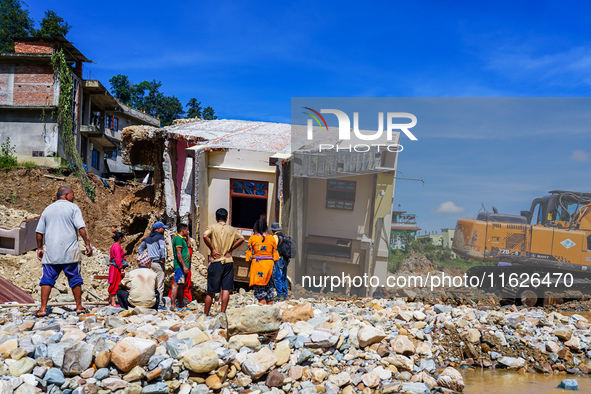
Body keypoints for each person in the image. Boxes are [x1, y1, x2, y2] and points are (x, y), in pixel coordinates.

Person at [35, 186, 92, 317]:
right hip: (69, 252)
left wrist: (39, 248)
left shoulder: (47, 209)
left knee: (47, 279)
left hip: (51, 254)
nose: (74, 197)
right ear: (66, 195)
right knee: (75, 278)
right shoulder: (73, 208)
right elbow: (81, 227)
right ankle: (78, 307)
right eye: (72, 194)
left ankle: (43, 309)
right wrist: (87, 244)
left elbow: (39, 232)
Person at [203, 208, 245, 316]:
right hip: (228, 260)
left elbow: (205, 236)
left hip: (216, 260)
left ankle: (206, 315)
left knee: (211, 290)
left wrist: (212, 249)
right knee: (226, 288)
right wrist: (231, 249)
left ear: (216, 218)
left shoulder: (212, 227)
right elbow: (242, 238)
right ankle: (222, 313)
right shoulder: (232, 229)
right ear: (227, 218)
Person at [245, 218, 279, 305]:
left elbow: (249, 256)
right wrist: (272, 268)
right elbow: (275, 256)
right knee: (269, 288)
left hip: (257, 266)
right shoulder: (272, 238)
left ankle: (262, 310)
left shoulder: (252, 238)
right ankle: (270, 310)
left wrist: (250, 268)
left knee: (260, 290)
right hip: (270, 265)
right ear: (266, 227)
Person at [138, 221, 168, 309]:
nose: (164, 229)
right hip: (158, 262)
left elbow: (140, 249)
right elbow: (162, 250)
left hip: (148, 264)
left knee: (149, 283)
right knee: (159, 283)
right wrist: (163, 261)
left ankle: (149, 301)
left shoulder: (147, 239)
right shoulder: (160, 237)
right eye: (163, 228)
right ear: (158, 229)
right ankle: (159, 303)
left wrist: (145, 257)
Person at [171, 223, 190, 311]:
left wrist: (188, 236)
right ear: (183, 230)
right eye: (187, 230)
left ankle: (181, 304)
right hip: (180, 266)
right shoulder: (178, 239)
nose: (187, 231)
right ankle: (173, 304)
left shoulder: (182, 239)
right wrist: (184, 266)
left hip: (183, 266)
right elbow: (179, 253)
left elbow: (189, 245)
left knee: (181, 285)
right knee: (176, 285)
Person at [269, 222, 289, 300]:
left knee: (278, 277)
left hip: (279, 258)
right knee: (284, 276)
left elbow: (273, 247)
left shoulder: (275, 236)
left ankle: (279, 294)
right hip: (285, 258)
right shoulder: (284, 236)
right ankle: (285, 294)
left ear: (273, 230)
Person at [108, 231, 126, 307]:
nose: (123, 240)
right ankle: (113, 302)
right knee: (115, 283)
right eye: (122, 238)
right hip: (116, 268)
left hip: (114, 267)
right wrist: (121, 269)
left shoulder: (114, 246)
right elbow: (118, 258)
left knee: (115, 282)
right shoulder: (117, 247)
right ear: (120, 239)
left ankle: (112, 300)